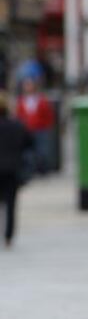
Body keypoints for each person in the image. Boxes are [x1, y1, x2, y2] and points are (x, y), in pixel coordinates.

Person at [0, 93, 33, 249]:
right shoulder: (17, 125)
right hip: (13, 169)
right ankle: (8, 236)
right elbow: (29, 143)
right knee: (11, 204)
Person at [14, 73, 55, 175]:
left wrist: (47, 126)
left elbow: (48, 115)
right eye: (26, 85)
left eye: (29, 85)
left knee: (42, 151)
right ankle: (31, 170)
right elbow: (19, 116)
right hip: (27, 130)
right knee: (29, 152)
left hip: (40, 129)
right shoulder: (21, 101)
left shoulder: (41, 100)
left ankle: (42, 170)